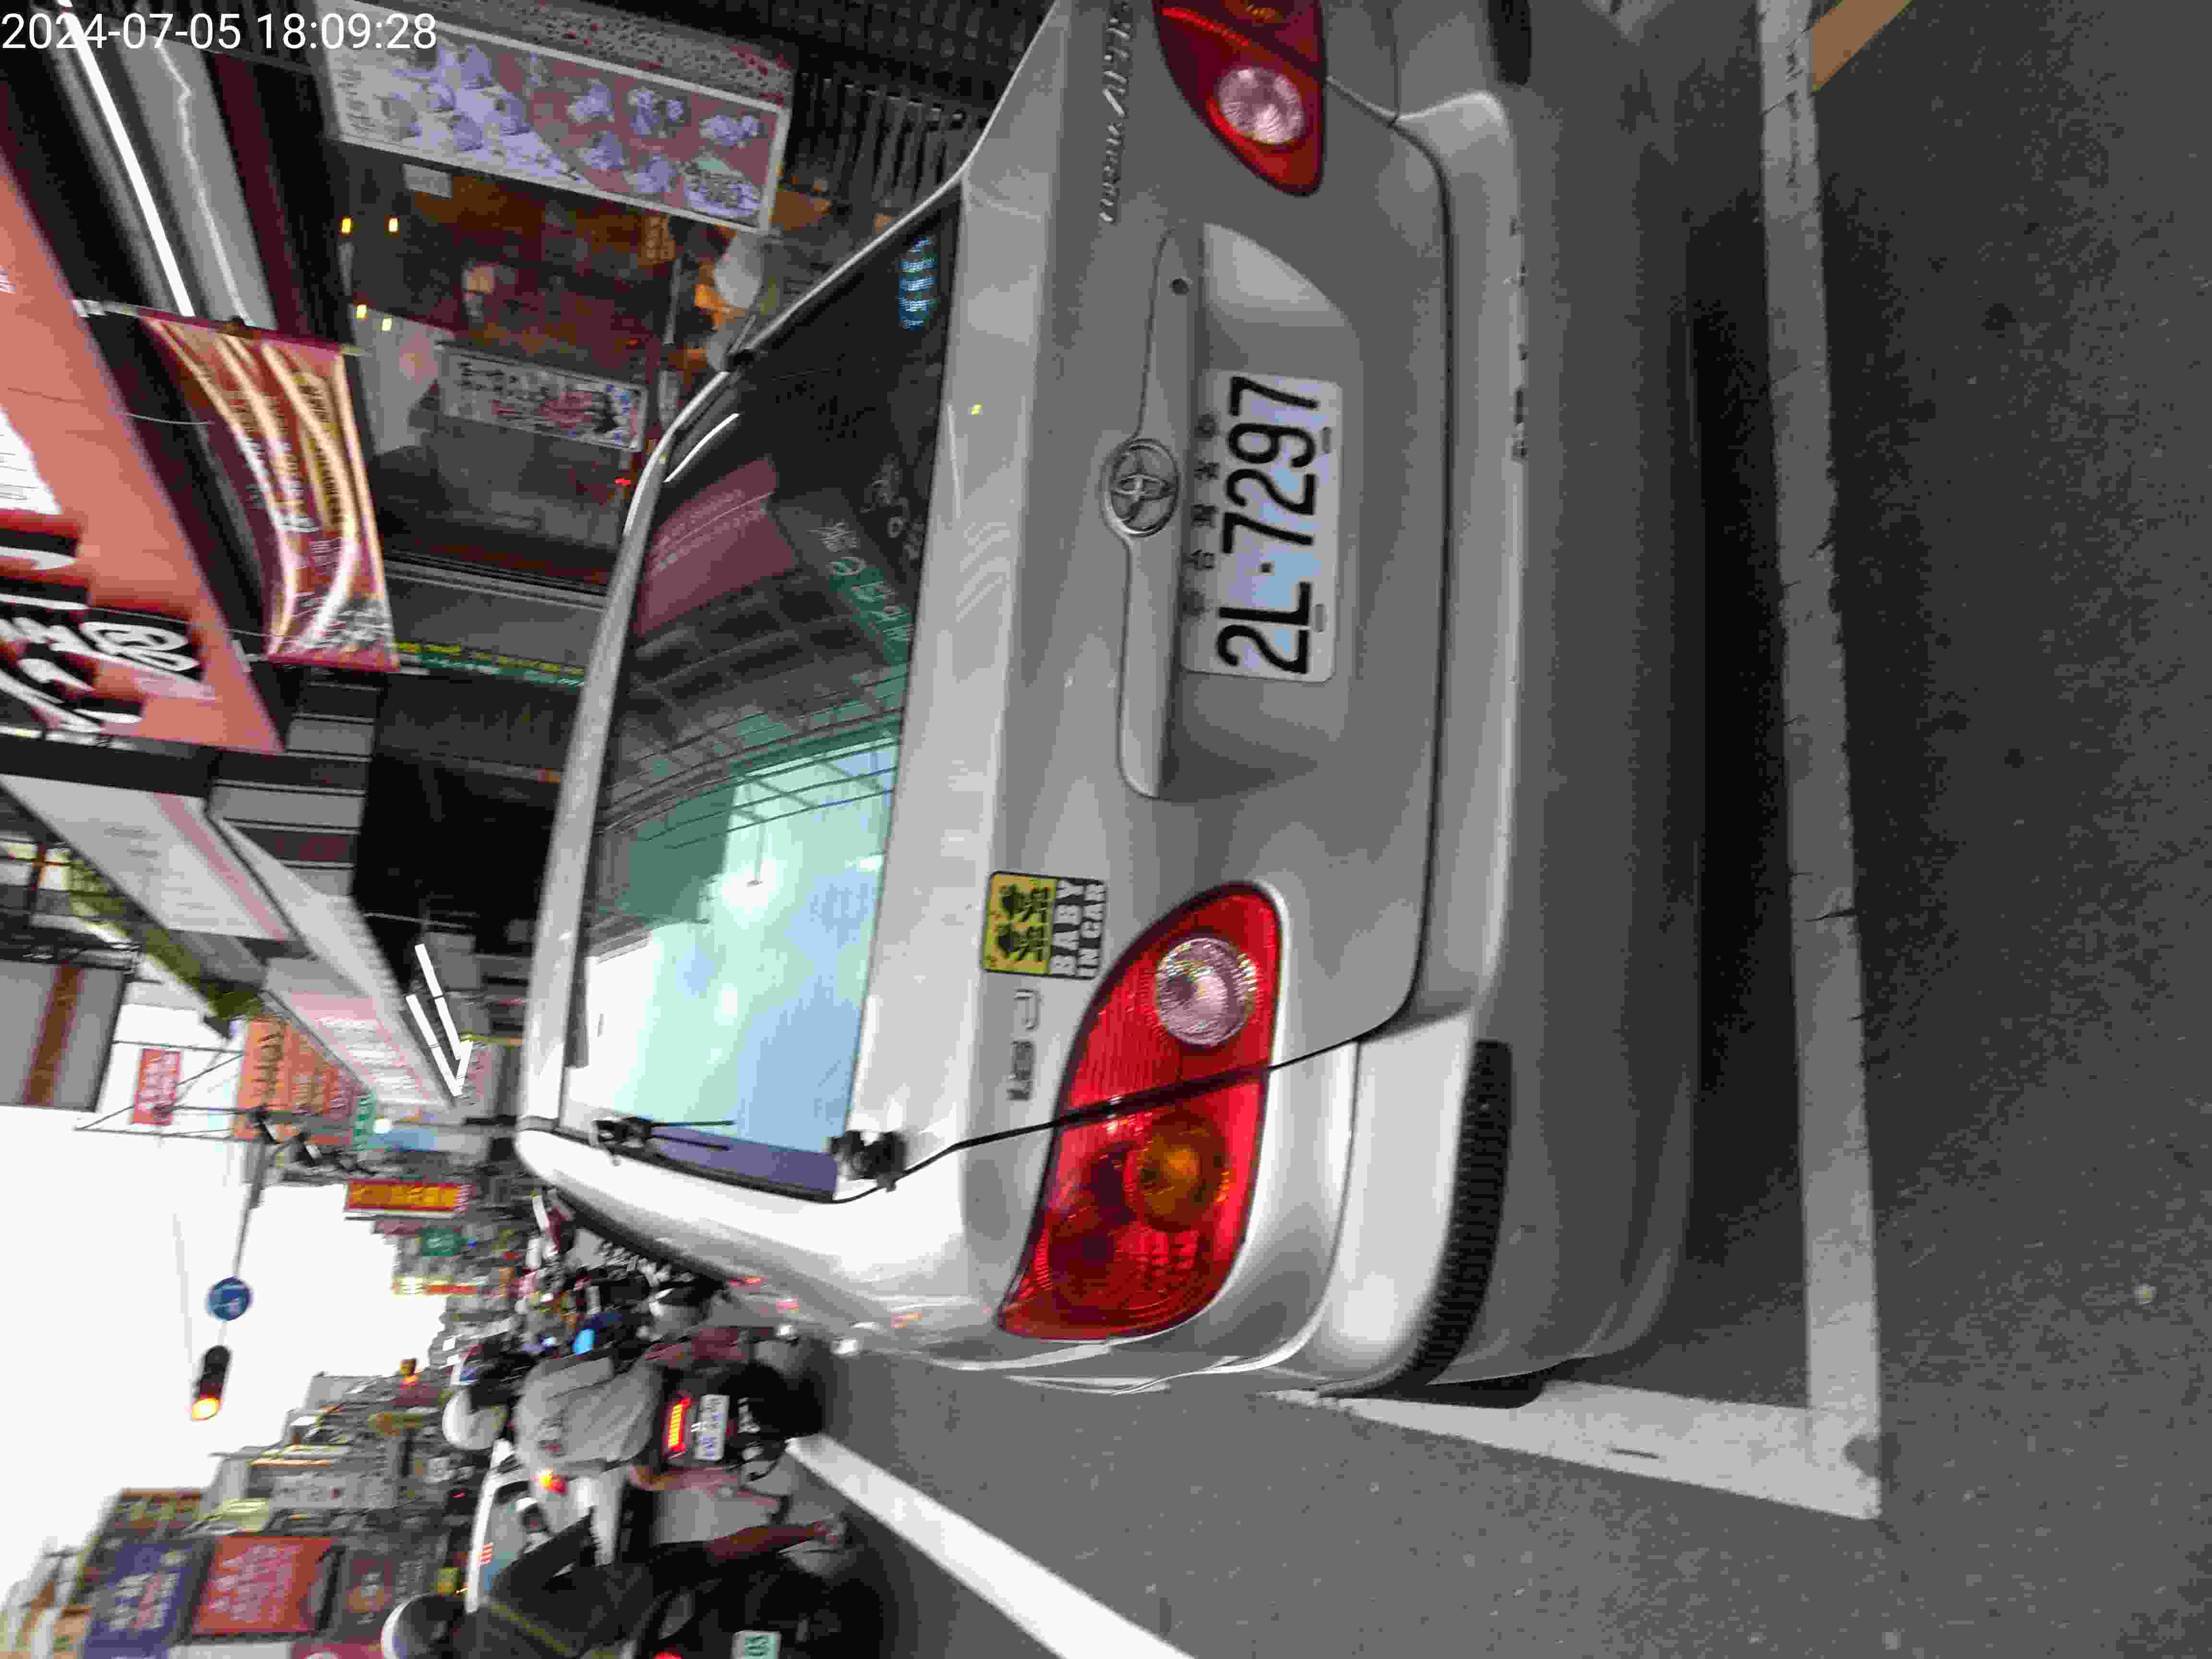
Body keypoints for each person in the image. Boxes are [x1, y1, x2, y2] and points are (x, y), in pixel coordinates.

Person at [380, 1511, 847, 1659]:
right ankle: (819, 1531)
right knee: (719, 1552)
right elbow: (570, 1542)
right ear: (440, 1610)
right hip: (643, 1588)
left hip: (632, 1647)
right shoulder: (504, 1591)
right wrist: (586, 1527)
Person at [444, 1328, 795, 1497]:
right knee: (684, 1345)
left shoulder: (533, 1461)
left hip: (647, 1448)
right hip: (652, 1387)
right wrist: (638, 1350)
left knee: (656, 1481)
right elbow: (607, 1364)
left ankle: (731, 1479)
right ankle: (752, 1344)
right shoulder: (536, 1387)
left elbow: (599, 1467)